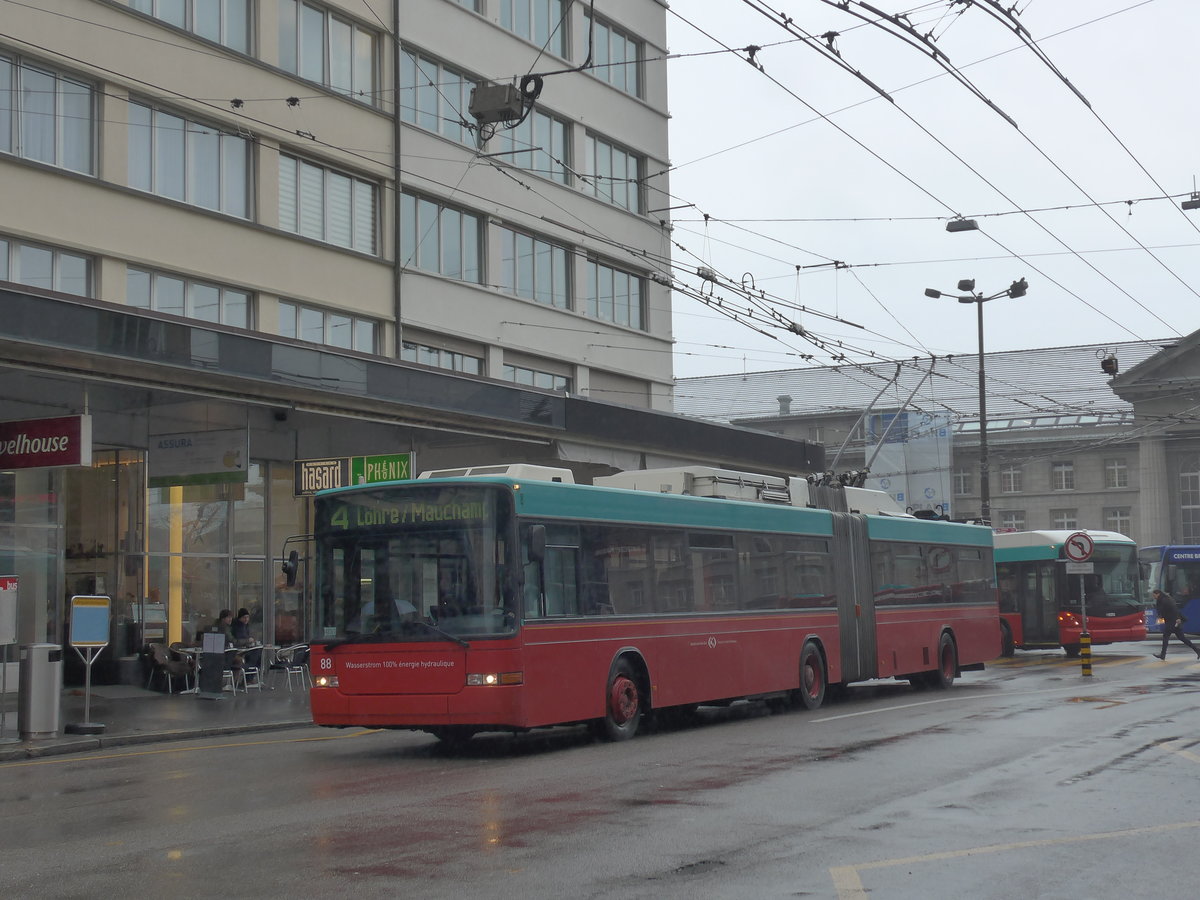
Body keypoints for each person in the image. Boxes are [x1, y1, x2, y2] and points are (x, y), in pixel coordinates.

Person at [1152, 589, 1200, 659]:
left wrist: (1178, 618)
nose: (1153, 597)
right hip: (1172, 621)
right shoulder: (1163, 599)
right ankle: (1197, 650)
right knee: (1182, 638)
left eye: (1154, 595)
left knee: (1165, 637)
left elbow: (1174, 609)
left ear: (1158, 594)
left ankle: (1163, 655)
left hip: (1172, 621)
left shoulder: (1165, 600)